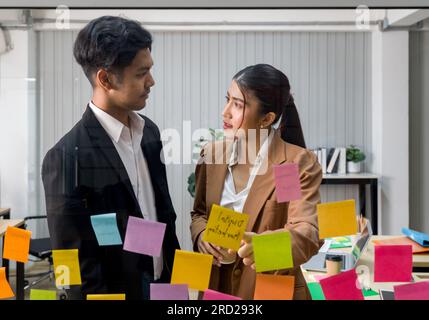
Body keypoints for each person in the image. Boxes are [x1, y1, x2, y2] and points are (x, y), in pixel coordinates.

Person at [42, 16, 180, 300]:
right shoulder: (66, 157)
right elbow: (71, 261)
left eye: (150, 70)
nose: (151, 81)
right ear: (105, 78)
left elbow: (162, 213)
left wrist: (174, 284)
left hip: (163, 284)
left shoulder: (149, 132)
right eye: (141, 73)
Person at [190, 64, 322, 300]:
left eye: (238, 105)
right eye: (227, 99)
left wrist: (264, 248)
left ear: (267, 119)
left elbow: (305, 232)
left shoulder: (288, 166)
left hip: (269, 290)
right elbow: (199, 213)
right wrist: (202, 236)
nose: (225, 112)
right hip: (215, 288)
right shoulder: (212, 156)